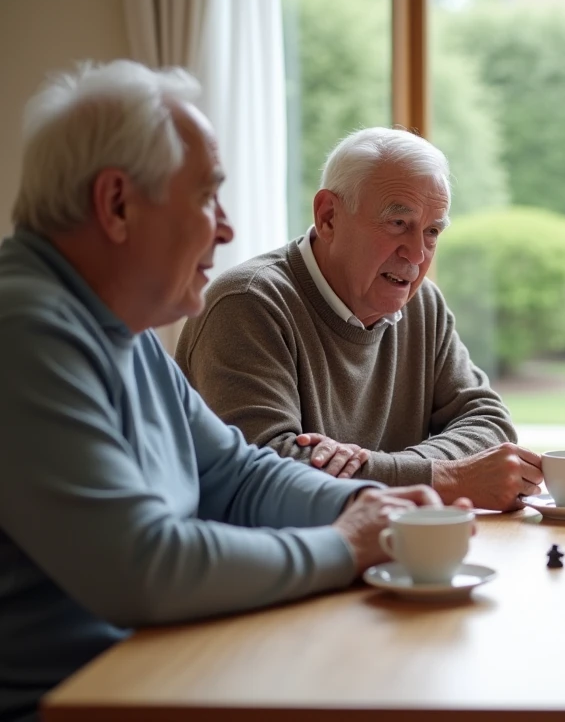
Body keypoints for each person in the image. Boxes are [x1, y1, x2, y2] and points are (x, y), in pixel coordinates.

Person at [0, 61, 457, 722]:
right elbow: (143, 565)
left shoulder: (116, 333)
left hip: (149, 680)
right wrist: (347, 543)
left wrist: (368, 502)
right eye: (206, 196)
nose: (227, 227)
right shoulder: (26, 333)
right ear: (117, 205)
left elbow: (237, 475)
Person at [176, 127, 541, 511]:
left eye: (432, 231)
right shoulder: (247, 304)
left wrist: (379, 469)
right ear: (328, 216)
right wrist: (444, 479)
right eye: (398, 223)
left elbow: (488, 423)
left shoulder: (422, 304)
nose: (417, 255)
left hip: (390, 554)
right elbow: (268, 475)